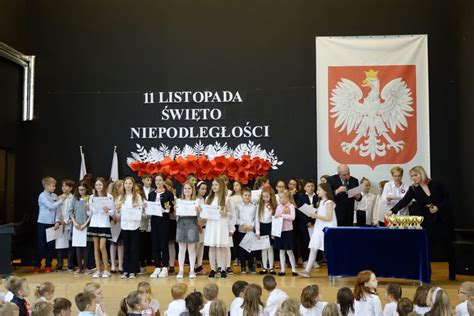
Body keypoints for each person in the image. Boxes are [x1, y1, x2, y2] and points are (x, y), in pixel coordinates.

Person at [388, 166, 453, 262]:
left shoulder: (436, 183)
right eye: (411, 176)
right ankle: (426, 270)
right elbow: (404, 201)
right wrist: (392, 210)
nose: (413, 178)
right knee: (428, 245)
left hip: (443, 219)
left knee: (448, 244)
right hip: (428, 221)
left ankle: (452, 270)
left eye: (415, 175)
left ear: (421, 174)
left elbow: (447, 199)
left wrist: (438, 207)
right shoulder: (413, 189)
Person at [299, 183, 337, 277]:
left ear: (325, 191)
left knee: (329, 251)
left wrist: (316, 215)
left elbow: (329, 217)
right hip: (319, 228)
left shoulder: (329, 203)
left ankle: (335, 270)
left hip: (326, 229)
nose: (317, 191)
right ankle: (307, 271)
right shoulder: (321, 202)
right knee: (313, 248)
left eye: (319, 190)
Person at [35, 177, 66, 273]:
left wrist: (57, 221)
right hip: (42, 223)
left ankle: (48, 265)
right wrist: (61, 200)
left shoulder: (55, 195)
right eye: (53, 186)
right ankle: (37, 265)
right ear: (47, 186)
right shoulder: (42, 196)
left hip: (52, 224)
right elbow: (51, 206)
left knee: (51, 246)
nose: (54, 187)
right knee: (41, 245)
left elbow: (57, 210)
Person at [202, 177, 232, 279]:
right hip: (211, 225)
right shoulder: (208, 199)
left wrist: (225, 213)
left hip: (222, 225)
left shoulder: (226, 199)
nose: (214, 187)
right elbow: (205, 214)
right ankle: (212, 269)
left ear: (221, 186)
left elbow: (231, 213)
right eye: (213, 185)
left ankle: (223, 269)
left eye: (216, 185)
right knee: (212, 247)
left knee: (222, 248)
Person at [149, 173, 175, 278]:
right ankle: (156, 267)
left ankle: (165, 266)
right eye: (156, 181)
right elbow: (150, 208)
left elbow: (172, 208)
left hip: (164, 221)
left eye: (160, 180)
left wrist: (168, 208)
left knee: (164, 244)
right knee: (155, 244)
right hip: (154, 221)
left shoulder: (168, 193)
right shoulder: (151, 194)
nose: (158, 182)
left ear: (163, 182)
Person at [88, 177, 114, 279]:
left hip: (104, 224)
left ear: (104, 186)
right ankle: (98, 270)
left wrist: (107, 210)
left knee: (102, 247)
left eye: (100, 185)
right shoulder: (91, 197)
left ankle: (106, 270)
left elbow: (113, 212)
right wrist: (88, 208)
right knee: (95, 247)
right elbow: (90, 213)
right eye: (96, 185)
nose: (98, 187)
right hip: (94, 223)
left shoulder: (109, 196)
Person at [118, 177, 144, 279]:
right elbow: (118, 212)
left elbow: (141, 209)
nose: (128, 185)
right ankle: (126, 270)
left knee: (134, 249)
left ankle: (133, 271)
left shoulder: (137, 196)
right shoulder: (120, 197)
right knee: (126, 249)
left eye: (130, 183)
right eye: (126, 183)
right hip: (124, 225)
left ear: (133, 185)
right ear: (123, 185)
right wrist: (117, 210)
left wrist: (137, 206)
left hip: (134, 225)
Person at [175, 182, 200, 279]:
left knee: (191, 248)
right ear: (183, 190)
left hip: (192, 223)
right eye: (185, 188)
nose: (187, 190)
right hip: (181, 223)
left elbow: (200, 215)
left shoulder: (196, 201)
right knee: (181, 248)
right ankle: (181, 270)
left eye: (189, 188)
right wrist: (175, 209)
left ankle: (192, 270)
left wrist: (198, 211)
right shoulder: (179, 201)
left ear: (192, 190)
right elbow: (175, 215)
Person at [274, 190, 297, 276]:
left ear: (287, 198)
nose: (280, 199)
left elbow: (292, 217)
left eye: (281, 197)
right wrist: (279, 215)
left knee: (289, 251)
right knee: (281, 251)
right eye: (279, 198)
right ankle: (282, 270)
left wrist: (282, 215)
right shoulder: (278, 207)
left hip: (288, 231)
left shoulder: (291, 206)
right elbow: (276, 216)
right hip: (280, 231)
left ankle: (294, 269)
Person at [54, 179, 76, 272]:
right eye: (62, 186)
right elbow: (56, 210)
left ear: (70, 188)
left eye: (66, 186)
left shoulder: (74, 198)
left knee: (70, 245)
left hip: (70, 224)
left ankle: (70, 265)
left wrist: (66, 221)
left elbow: (74, 212)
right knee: (59, 245)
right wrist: (58, 221)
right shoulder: (59, 197)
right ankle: (59, 265)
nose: (64, 188)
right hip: (60, 224)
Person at [295, 180, 317, 267]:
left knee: (314, 242)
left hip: (315, 223)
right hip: (304, 223)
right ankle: (305, 259)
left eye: (312, 186)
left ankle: (314, 260)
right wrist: (307, 222)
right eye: (308, 186)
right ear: (304, 188)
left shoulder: (317, 196)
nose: (310, 188)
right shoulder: (301, 197)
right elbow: (299, 211)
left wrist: (313, 222)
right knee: (305, 241)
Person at [71, 181, 92, 274]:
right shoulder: (75, 198)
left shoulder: (90, 198)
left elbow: (91, 214)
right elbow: (70, 212)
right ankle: (79, 267)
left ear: (87, 189)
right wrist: (75, 223)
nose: (81, 191)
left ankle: (86, 267)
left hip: (86, 225)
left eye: (83, 189)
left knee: (86, 247)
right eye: (80, 189)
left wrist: (85, 224)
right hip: (76, 226)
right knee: (78, 247)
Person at [256, 186, 277, 275]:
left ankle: (271, 267)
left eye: (267, 197)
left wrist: (274, 231)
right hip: (262, 227)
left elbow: (275, 219)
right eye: (263, 197)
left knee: (270, 248)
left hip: (270, 227)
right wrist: (257, 231)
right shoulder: (259, 206)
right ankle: (264, 267)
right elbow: (256, 219)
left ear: (271, 196)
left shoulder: (274, 206)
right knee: (264, 248)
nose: (265, 198)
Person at [235, 187, 257, 274]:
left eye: (249, 195)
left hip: (251, 231)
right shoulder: (239, 206)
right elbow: (236, 218)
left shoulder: (254, 206)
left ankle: (251, 266)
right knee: (241, 249)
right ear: (242, 196)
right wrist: (243, 224)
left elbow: (256, 218)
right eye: (245, 195)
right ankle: (243, 266)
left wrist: (252, 225)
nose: (247, 197)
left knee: (250, 249)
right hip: (242, 230)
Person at [109, 179, 124, 274]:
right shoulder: (112, 198)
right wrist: (113, 216)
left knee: (121, 243)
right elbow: (109, 209)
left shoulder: (125, 197)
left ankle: (121, 265)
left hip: (122, 222)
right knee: (113, 243)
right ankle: (113, 265)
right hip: (113, 223)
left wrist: (119, 217)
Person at [140, 174, 153, 273]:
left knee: (150, 240)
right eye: (147, 180)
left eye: (150, 180)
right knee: (142, 241)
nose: (149, 182)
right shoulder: (139, 190)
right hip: (142, 218)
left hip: (151, 218)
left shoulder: (153, 191)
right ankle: (142, 261)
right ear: (143, 180)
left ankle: (150, 258)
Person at [195, 181, 208, 275]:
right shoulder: (195, 200)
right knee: (196, 246)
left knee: (201, 246)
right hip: (196, 226)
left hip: (204, 225)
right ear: (197, 189)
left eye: (205, 189)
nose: (204, 190)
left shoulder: (206, 200)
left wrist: (203, 223)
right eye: (202, 189)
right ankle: (194, 265)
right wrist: (198, 225)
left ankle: (199, 265)